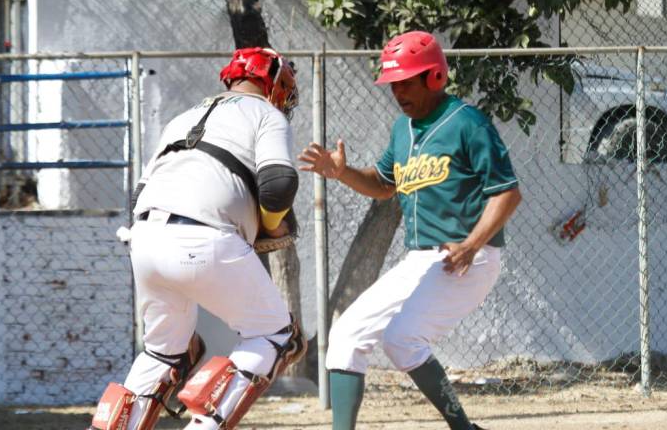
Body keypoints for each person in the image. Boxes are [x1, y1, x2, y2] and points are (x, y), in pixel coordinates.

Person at [299, 31, 522, 430]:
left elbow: (507, 193)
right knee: (346, 336)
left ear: (434, 77)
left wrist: (472, 245)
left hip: (469, 257)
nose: (397, 91)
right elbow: (384, 184)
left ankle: (463, 428)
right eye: (393, 83)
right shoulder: (403, 129)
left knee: (402, 339)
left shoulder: (467, 123)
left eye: (406, 81)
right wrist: (342, 172)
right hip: (421, 258)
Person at [89, 47, 306, 430]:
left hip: (146, 240)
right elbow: (278, 185)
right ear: (272, 84)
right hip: (206, 238)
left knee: (162, 353)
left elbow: (139, 197)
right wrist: (269, 223)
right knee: (275, 334)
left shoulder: (184, 117)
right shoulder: (266, 113)